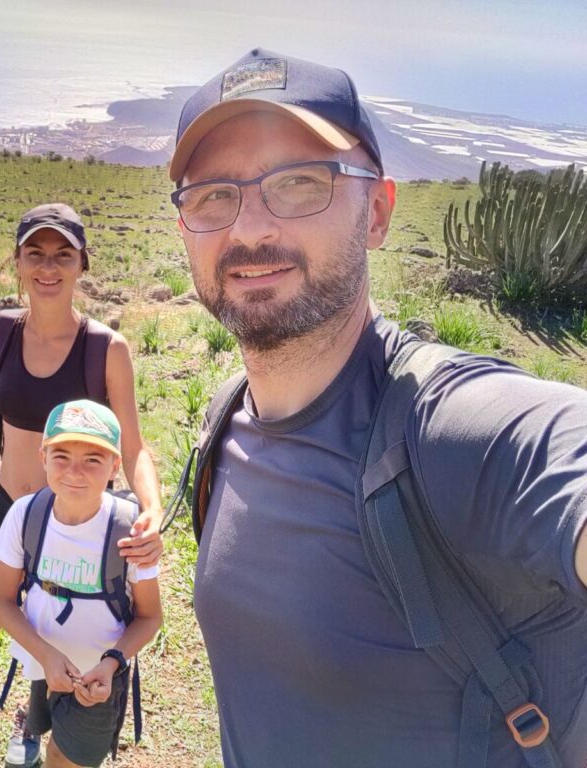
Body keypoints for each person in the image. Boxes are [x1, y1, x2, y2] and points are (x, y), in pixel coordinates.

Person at [169, 48, 587, 767]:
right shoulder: (226, 421)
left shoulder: (454, 432)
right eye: (214, 194)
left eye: (299, 183)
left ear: (378, 212)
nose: (249, 230)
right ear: (185, 229)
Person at [0, 203, 164, 766]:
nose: (48, 267)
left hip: (77, 516)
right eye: (36, 254)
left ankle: (36, 715)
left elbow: (134, 444)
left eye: (62, 255)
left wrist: (151, 508)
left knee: (65, 627)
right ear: (18, 263)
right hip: (10, 512)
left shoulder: (104, 349)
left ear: (81, 265)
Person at [0, 399, 163, 768]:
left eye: (93, 460)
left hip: (99, 681)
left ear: (115, 465)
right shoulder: (26, 515)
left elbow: (149, 617)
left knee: (65, 760)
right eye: (62, 456)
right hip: (41, 664)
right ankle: (34, 720)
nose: (74, 472)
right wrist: (46, 656)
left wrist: (113, 662)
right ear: (43, 457)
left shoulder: (130, 532)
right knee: (46, 724)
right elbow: (1, 601)